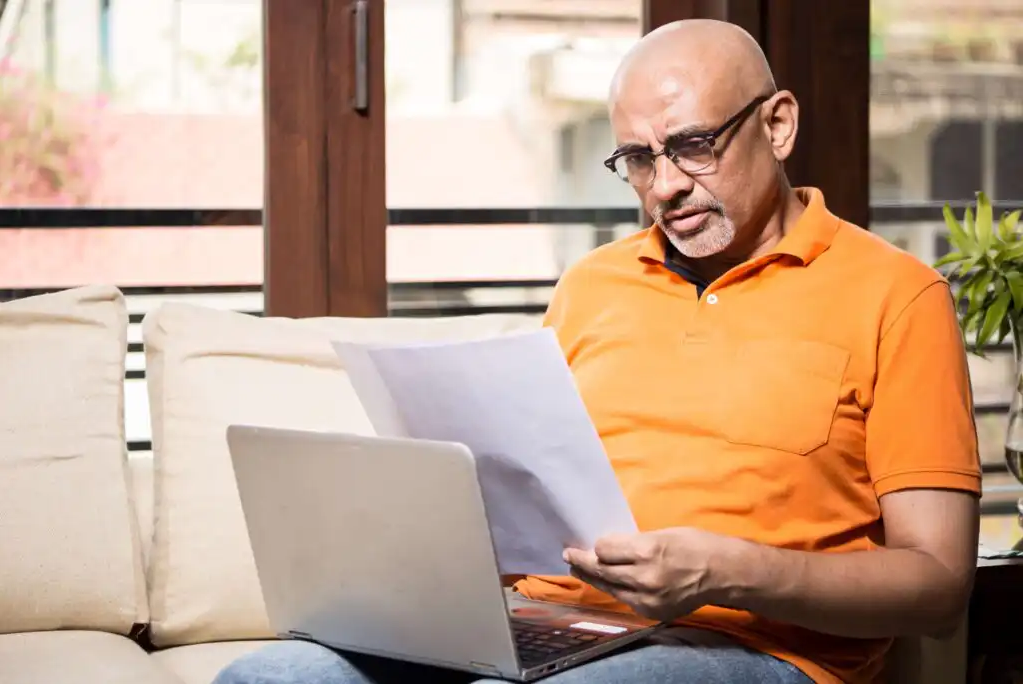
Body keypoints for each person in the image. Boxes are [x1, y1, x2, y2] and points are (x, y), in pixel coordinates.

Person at [213, 18, 980, 684]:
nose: (665, 187)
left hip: (756, 650)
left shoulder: (897, 296)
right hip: (557, 626)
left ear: (777, 124)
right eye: (639, 161)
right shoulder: (592, 285)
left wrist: (732, 571)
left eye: (693, 146)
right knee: (265, 676)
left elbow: (939, 586)